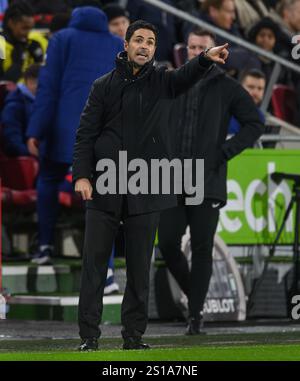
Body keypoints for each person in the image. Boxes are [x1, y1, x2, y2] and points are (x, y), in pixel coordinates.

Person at [73, 20, 229, 351]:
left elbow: (185, 76)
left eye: (151, 42)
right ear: (126, 44)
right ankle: (89, 336)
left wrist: (204, 58)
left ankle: (134, 336)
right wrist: (83, 176)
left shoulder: (163, 82)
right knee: (94, 265)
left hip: (148, 184)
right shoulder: (103, 86)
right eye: (139, 40)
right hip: (106, 183)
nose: (144, 46)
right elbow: (85, 135)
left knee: (140, 266)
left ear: (155, 49)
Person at [157, 28, 264, 335]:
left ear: (214, 50)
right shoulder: (172, 81)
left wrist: (223, 153)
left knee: (202, 247)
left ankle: (195, 317)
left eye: (202, 47)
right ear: (185, 49)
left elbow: (255, 122)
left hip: (208, 179)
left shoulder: (226, 86)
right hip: (172, 178)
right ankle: (196, 298)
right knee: (167, 243)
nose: (195, 51)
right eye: (191, 46)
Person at [26, 2, 124, 265]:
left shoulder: (61, 39)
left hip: (63, 131)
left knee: (47, 178)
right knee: (103, 196)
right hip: (103, 135)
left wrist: (35, 130)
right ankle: (108, 269)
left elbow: (47, 88)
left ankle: (45, 246)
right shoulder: (116, 44)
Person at [0, 1, 47, 83]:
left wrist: (38, 60)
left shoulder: (34, 43)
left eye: (30, 28)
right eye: (24, 28)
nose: (28, 33)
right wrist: (18, 63)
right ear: (11, 23)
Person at [1, 63, 40, 157]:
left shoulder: (39, 102)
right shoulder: (14, 105)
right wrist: (31, 154)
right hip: (26, 161)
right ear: (30, 82)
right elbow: (12, 140)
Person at [229, 69, 266, 134]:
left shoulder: (260, 118)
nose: (255, 93)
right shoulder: (225, 106)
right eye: (251, 87)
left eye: (260, 88)